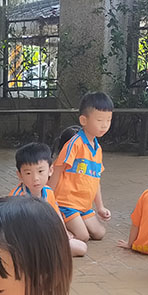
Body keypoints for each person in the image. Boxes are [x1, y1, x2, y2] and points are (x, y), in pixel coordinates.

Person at [50, 92, 114, 242]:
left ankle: (73, 223)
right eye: (99, 120)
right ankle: (58, 225)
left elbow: (96, 179)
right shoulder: (75, 143)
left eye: (108, 120)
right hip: (66, 203)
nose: (104, 125)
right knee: (83, 236)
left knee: (99, 233)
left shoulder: (97, 149)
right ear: (83, 120)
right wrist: (48, 199)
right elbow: (57, 169)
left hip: (84, 206)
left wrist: (100, 207)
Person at [10, 142, 87, 257]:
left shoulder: (48, 192)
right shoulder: (16, 198)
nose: (35, 178)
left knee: (81, 247)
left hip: (45, 238)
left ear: (50, 170)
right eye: (28, 173)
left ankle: (46, 254)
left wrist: (64, 233)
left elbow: (57, 214)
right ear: (20, 175)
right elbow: (13, 230)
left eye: (40, 171)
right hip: (25, 243)